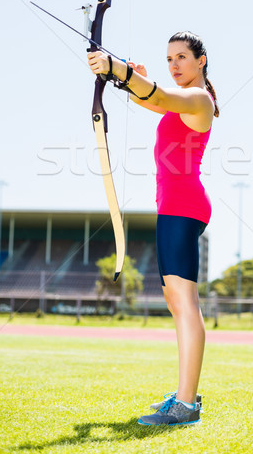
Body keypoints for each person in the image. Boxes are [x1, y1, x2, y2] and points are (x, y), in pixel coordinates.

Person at [88, 31, 219, 426]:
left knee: (185, 303)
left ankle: (186, 405)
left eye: (182, 57)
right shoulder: (179, 101)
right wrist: (128, 80)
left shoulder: (198, 100)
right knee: (176, 302)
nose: (175, 64)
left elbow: (159, 97)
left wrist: (120, 71)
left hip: (184, 207)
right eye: (169, 59)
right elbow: (152, 99)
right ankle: (184, 394)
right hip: (173, 208)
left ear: (201, 61)